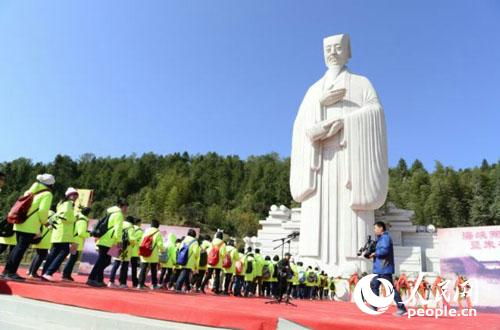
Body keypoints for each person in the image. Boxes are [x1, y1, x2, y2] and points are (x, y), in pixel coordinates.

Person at [2, 174, 54, 281]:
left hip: (19, 221)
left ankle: (7, 270)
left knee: (17, 248)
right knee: (20, 249)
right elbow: (43, 211)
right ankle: (11, 272)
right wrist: (45, 222)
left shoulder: (30, 191)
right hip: (30, 225)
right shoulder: (47, 194)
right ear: (51, 184)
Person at [370, 221, 407, 316]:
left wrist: (375, 253)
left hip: (384, 268)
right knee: (374, 285)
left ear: (381, 228)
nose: (374, 230)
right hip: (379, 268)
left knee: (390, 289)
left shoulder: (385, 238)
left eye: (375, 228)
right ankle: (374, 306)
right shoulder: (380, 239)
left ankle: (402, 308)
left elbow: (384, 251)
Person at [87, 198, 127, 287]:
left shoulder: (110, 212)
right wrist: (119, 241)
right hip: (108, 240)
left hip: (104, 239)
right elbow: (118, 229)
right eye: (125, 207)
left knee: (105, 261)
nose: (126, 210)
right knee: (102, 261)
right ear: (121, 206)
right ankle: (91, 278)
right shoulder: (119, 214)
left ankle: (98, 279)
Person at [42, 188, 79, 281]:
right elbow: (64, 217)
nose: (75, 197)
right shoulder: (68, 204)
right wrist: (74, 218)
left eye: (76, 195)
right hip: (63, 233)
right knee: (64, 252)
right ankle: (49, 272)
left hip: (58, 232)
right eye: (73, 195)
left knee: (54, 252)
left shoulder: (61, 203)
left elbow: (60, 216)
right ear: (68, 195)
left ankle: (45, 272)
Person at [61, 207, 91, 281]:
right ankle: (66, 275)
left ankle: (67, 275)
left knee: (73, 258)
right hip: (76, 242)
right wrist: (90, 234)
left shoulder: (79, 219)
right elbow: (81, 233)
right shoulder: (83, 221)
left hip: (75, 241)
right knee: (72, 259)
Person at [108, 215, 138, 288]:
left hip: (117, 245)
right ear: (132, 222)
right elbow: (132, 239)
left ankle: (111, 281)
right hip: (126, 248)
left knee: (116, 264)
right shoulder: (130, 227)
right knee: (125, 265)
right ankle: (122, 283)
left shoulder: (120, 224)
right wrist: (134, 244)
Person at [27, 210, 55, 278]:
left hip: (39, 237)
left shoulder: (45, 212)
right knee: (41, 255)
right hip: (45, 239)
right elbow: (52, 227)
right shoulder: (53, 215)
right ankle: (33, 272)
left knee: (38, 255)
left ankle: (31, 271)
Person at [137, 219, 164, 290]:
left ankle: (140, 284)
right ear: (158, 226)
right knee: (153, 270)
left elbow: (141, 241)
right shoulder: (158, 233)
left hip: (144, 252)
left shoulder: (146, 231)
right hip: (153, 254)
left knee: (143, 268)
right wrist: (162, 250)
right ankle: (154, 285)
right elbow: (160, 244)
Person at [130, 217, 143, 288]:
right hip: (135, 252)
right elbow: (141, 243)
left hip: (127, 250)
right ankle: (134, 282)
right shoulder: (140, 231)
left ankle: (121, 281)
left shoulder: (130, 228)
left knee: (122, 265)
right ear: (138, 223)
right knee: (134, 268)